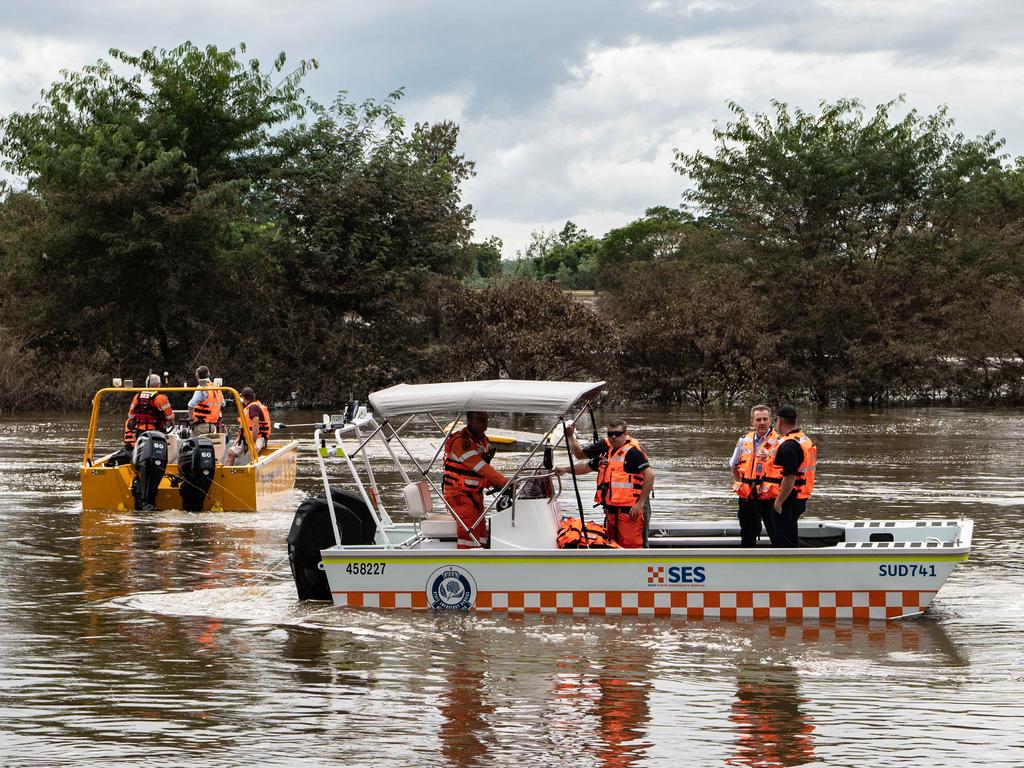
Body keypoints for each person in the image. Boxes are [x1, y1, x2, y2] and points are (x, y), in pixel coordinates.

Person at [555, 419, 654, 549]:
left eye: (617, 434)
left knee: (634, 545)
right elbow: (586, 467)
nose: (613, 437)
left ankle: (643, 566)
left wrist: (640, 503)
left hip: (631, 511)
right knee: (613, 545)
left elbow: (650, 475)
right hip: (612, 511)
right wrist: (565, 470)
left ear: (625, 434)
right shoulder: (607, 454)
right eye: (610, 434)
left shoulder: (632, 453)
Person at [442, 411, 508, 549]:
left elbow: (482, 472)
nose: (485, 422)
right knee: (469, 531)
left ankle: (482, 557)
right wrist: (504, 481)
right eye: (481, 419)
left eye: (486, 419)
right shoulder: (461, 443)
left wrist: (496, 482)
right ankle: (467, 561)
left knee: (481, 531)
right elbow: (480, 467)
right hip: (458, 494)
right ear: (470, 419)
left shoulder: (482, 441)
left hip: (475, 494)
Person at [759, 405, 817, 548]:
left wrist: (778, 502)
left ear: (779, 421)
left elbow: (789, 478)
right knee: (788, 533)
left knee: (785, 540)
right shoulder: (802, 438)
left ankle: (788, 566)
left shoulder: (789, 445)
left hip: (788, 499)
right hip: (799, 496)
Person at [729, 405, 779, 546]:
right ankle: (745, 563)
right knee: (747, 532)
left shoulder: (779, 441)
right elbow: (733, 465)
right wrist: (741, 484)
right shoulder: (743, 440)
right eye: (758, 419)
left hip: (770, 496)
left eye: (765, 419)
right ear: (753, 422)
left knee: (775, 532)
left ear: (770, 421)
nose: (762, 422)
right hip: (747, 496)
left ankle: (783, 563)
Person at [122, 373, 174, 448]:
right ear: (158, 385)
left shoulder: (137, 396)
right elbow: (170, 417)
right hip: (155, 431)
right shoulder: (161, 398)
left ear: (146, 384)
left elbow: (131, 416)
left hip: (139, 433)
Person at [225, 387, 271, 466]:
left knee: (253, 455)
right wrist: (238, 439)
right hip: (248, 438)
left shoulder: (253, 407)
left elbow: (255, 426)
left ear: (243, 398)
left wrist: (253, 443)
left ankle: (251, 474)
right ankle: (226, 475)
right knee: (231, 453)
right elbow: (244, 427)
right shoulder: (251, 406)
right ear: (253, 396)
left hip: (257, 438)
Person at [187, 365, 224, 436]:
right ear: (209, 374)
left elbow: (191, 405)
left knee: (195, 445)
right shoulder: (216, 388)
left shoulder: (201, 388)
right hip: (213, 427)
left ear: (197, 376)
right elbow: (223, 403)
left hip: (201, 427)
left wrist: (191, 419)